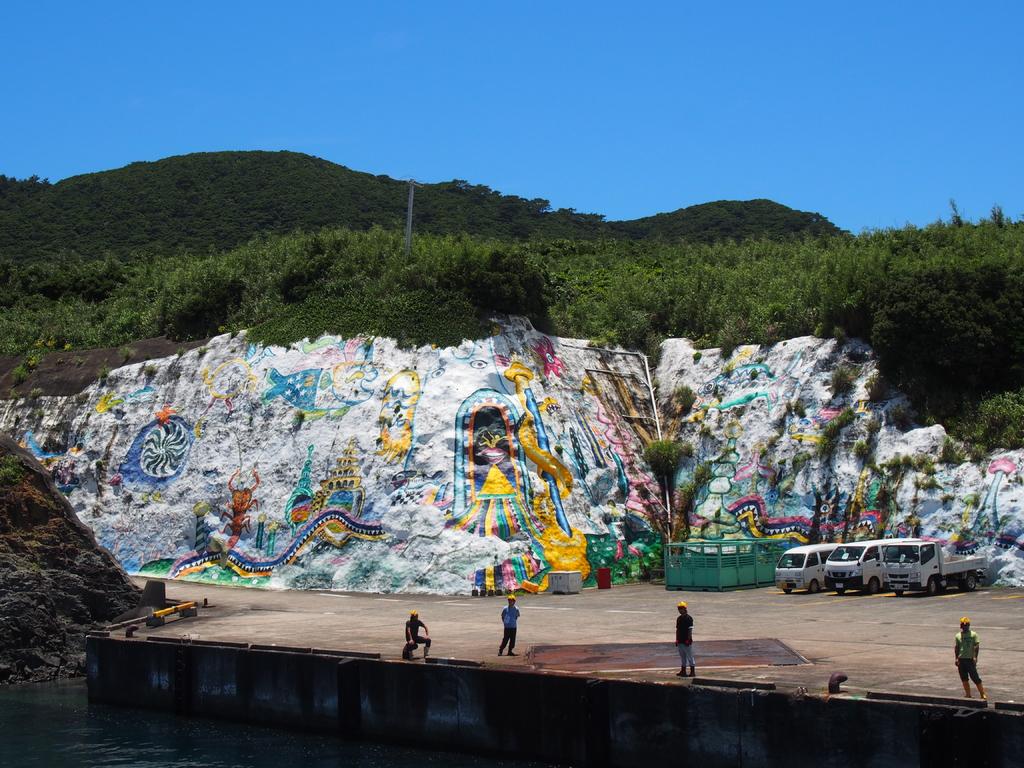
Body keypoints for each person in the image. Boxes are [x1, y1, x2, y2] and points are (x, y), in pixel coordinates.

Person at [955, 616, 985, 699]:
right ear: (961, 626)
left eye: (966, 625)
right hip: (961, 659)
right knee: (964, 678)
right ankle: (968, 694)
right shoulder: (958, 635)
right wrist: (956, 658)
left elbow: (976, 646)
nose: (965, 627)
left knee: (975, 677)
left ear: (969, 625)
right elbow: (957, 648)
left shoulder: (973, 634)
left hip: (969, 659)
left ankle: (982, 694)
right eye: (963, 625)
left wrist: (975, 657)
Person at [675, 600, 695, 677]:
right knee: (682, 656)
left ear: (685, 609)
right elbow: (677, 630)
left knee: (690, 656)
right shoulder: (679, 618)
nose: (680, 610)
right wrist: (676, 639)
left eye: (681, 608)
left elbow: (690, 630)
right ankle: (683, 671)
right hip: (680, 640)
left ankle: (692, 671)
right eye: (679, 608)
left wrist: (689, 639)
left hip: (686, 640)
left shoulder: (689, 618)